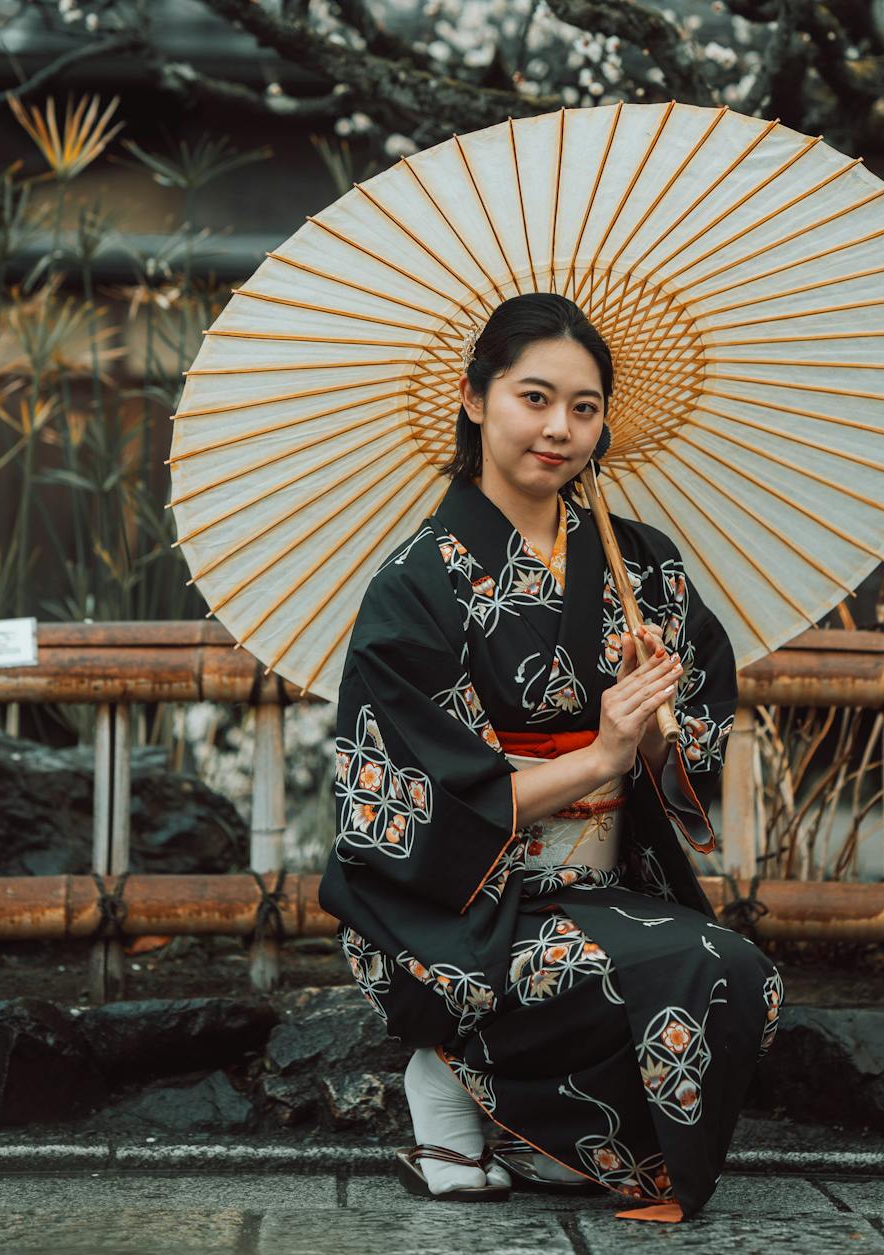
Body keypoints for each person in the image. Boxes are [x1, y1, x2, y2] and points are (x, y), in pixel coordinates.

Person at [319, 292, 782, 1221]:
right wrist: (600, 751)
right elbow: (411, 805)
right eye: (533, 397)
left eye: (584, 406)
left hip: (606, 884)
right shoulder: (416, 582)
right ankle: (448, 1070)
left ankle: (558, 1131)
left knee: (743, 978)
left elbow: (686, 759)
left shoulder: (643, 568)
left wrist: (649, 717)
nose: (559, 428)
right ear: (474, 396)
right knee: (679, 972)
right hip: (452, 908)